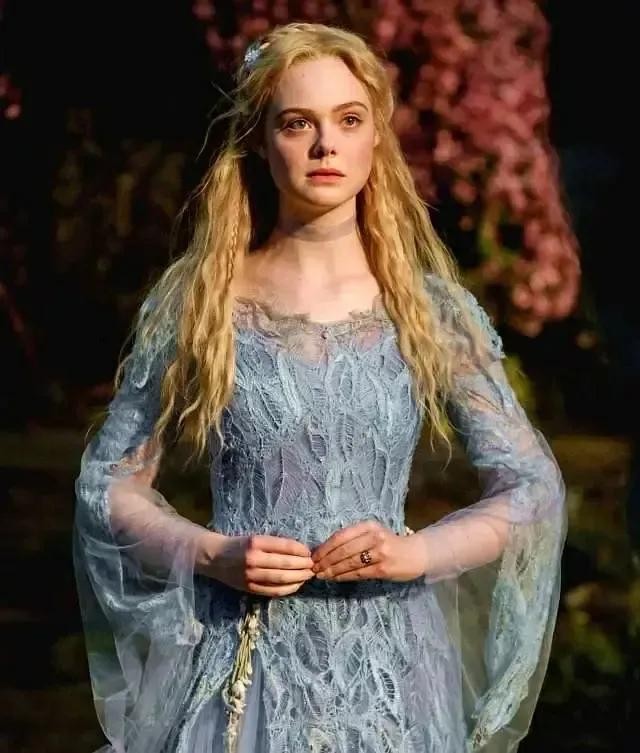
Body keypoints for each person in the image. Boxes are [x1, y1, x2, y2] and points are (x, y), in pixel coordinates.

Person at [72, 22, 567, 753]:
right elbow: (107, 484)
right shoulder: (201, 302)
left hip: (391, 680)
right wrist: (210, 552)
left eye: (348, 120)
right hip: (241, 669)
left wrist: (419, 554)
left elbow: (532, 486)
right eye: (298, 123)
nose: (325, 145)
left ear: (375, 140)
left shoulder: (428, 311)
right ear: (259, 141)